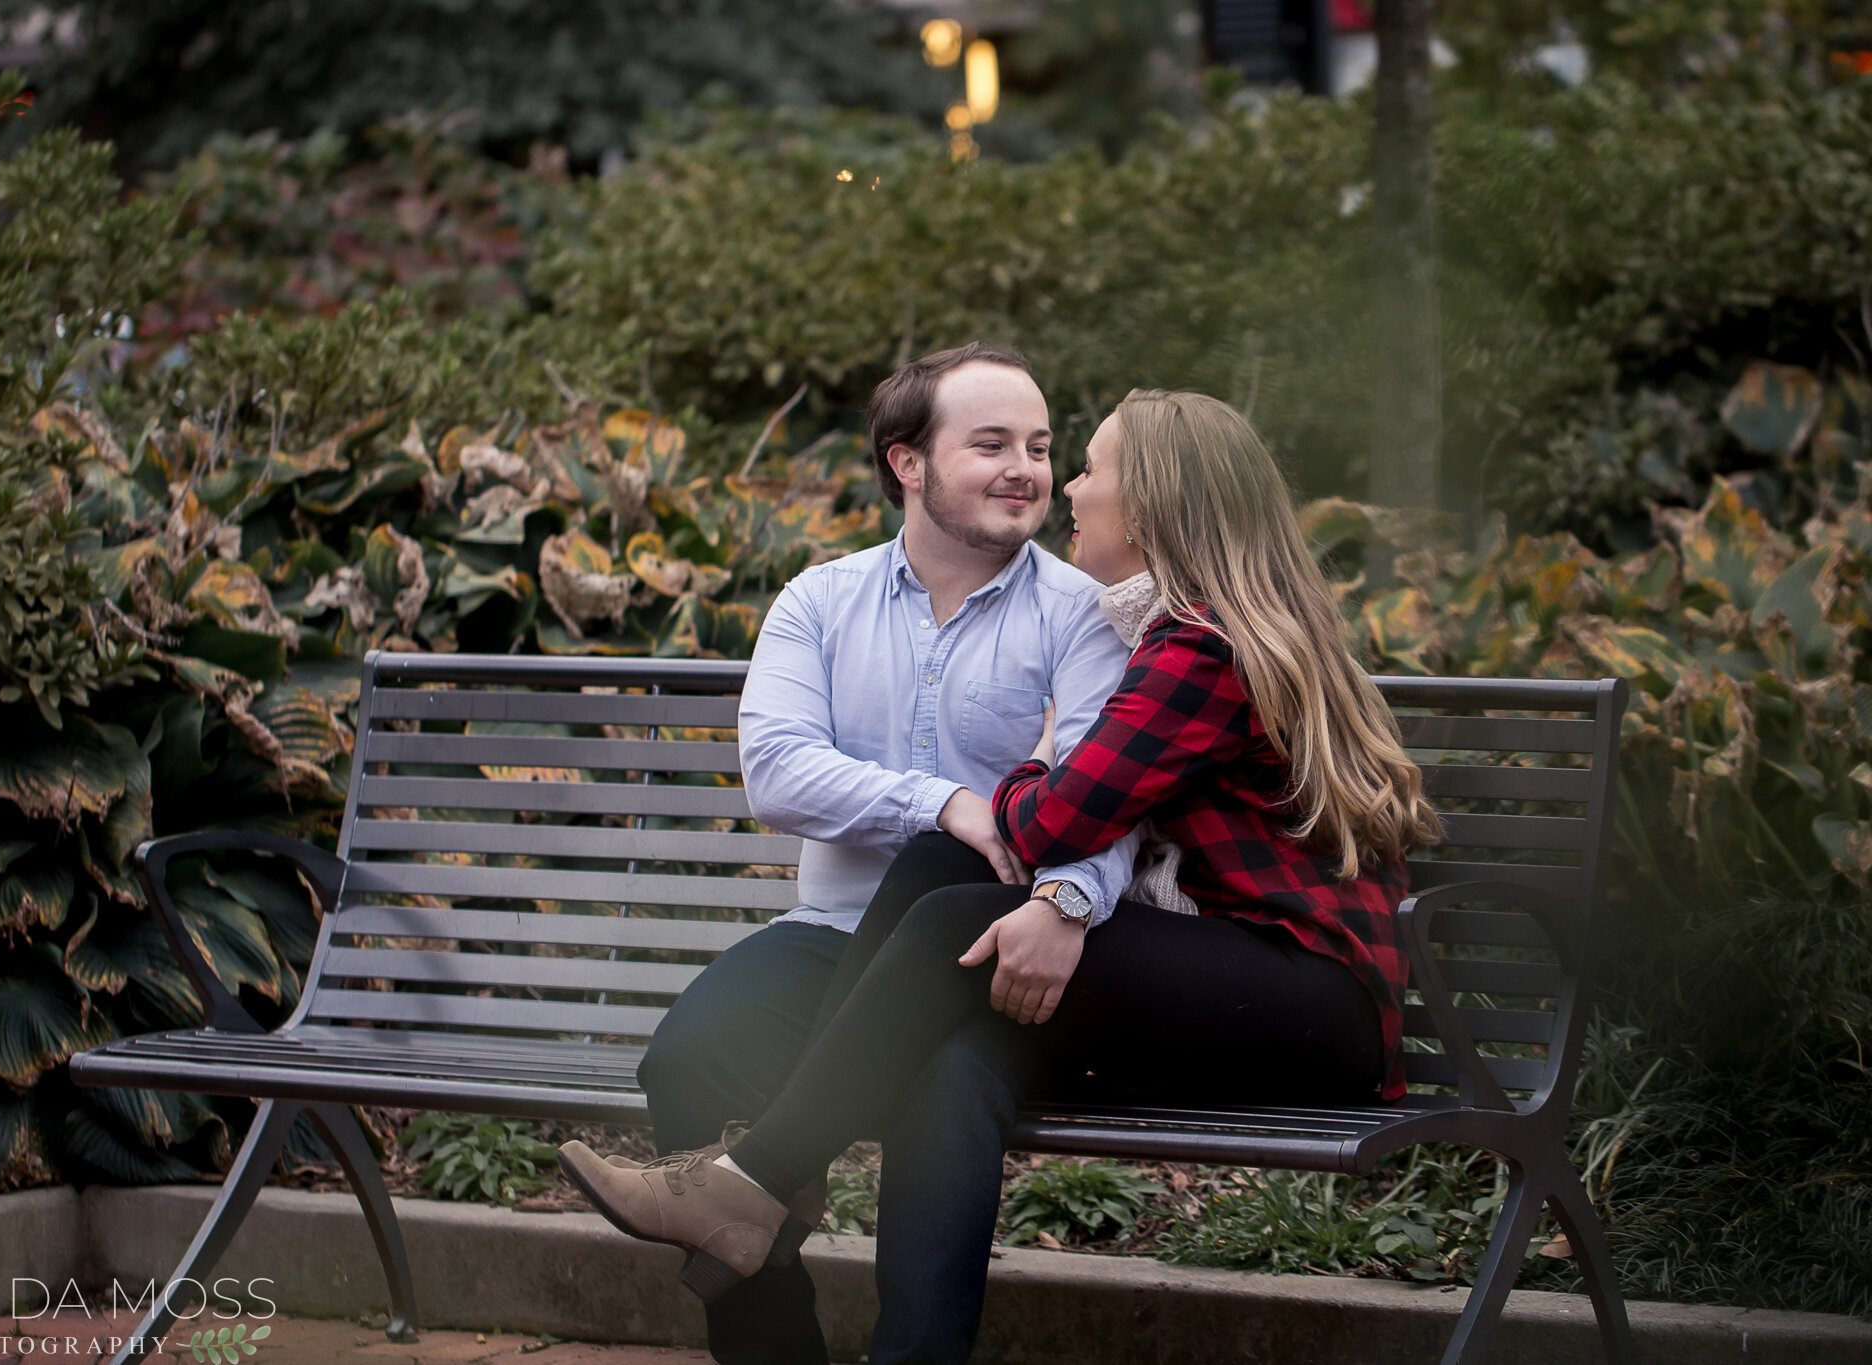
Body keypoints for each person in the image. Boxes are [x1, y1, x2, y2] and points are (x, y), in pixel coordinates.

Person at [561, 388, 1443, 1364]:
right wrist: (1043, 816)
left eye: (1089, 467)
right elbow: (1053, 824)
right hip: (1242, 975)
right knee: (952, 1046)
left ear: (1146, 507)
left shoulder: (1200, 648)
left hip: (1308, 998)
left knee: (949, 917)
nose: (1068, 484)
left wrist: (1043, 757)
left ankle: (755, 1179)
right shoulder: (1188, 633)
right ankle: (843, 1272)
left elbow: (1054, 818)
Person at [578, 342, 1138, 1365]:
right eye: (990, 444)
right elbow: (778, 777)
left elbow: (1113, 801)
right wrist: (949, 804)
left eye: (1040, 447)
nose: (1025, 469)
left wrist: (1066, 898)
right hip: (834, 938)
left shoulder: (1081, 618)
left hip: (983, 959)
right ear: (906, 463)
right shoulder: (817, 604)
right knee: (688, 1055)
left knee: (940, 1093)